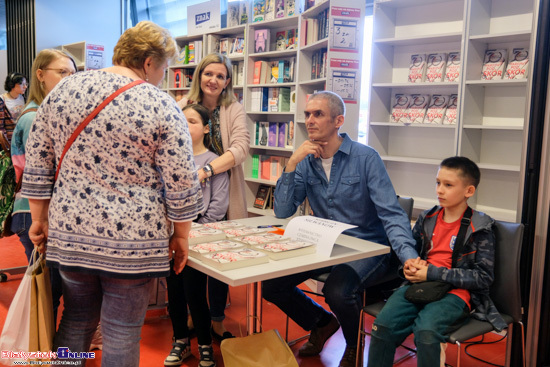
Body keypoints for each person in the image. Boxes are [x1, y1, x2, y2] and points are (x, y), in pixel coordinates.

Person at [22, 21, 204, 367]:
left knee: (75, 320)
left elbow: (39, 162)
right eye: (164, 67)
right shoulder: (161, 105)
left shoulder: (62, 91)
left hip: (71, 233)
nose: (163, 75)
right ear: (150, 62)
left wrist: (39, 219)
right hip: (134, 243)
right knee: (122, 330)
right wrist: (181, 235)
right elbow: (180, 181)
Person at [262, 91, 419, 367]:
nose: (309, 120)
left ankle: (353, 344)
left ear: (338, 121)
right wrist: (290, 164)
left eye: (318, 114)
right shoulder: (305, 161)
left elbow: (391, 213)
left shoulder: (366, 158)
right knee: (272, 284)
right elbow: (283, 211)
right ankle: (321, 323)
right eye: (307, 114)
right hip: (324, 244)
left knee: (337, 290)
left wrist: (408, 256)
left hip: (367, 246)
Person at [367, 156, 506, 366]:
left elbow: (483, 278)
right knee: (382, 327)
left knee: (426, 332)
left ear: (469, 191)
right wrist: (409, 266)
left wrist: (431, 273)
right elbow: (411, 253)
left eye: (448, 185)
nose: (439, 190)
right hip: (419, 285)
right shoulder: (427, 217)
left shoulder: (480, 228)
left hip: (456, 293)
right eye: (438, 183)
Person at [178, 52, 249, 340]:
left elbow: (241, 148)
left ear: (227, 81)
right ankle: (195, 315)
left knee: (220, 255)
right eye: (209, 73)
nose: (214, 80)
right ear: (199, 76)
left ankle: (217, 319)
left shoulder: (234, 109)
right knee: (191, 257)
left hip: (224, 190)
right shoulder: (181, 105)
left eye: (220, 76)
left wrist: (207, 170)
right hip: (188, 193)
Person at [11, 50, 76, 329]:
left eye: (72, 73)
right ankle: (43, 352)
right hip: (34, 214)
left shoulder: (45, 112)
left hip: (41, 214)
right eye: (61, 72)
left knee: (53, 291)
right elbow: (35, 174)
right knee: (49, 292)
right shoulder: (34, 117)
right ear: (40, 75)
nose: (69, 79)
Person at [165, 104, 229, 367]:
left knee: (194, 292)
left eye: (191, 121)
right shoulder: (169, 157)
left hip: (198, 239)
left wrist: (191, 232)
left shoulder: (215, 162)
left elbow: (218, 207)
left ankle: (204, 345)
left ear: (205, 128)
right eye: (181, 120)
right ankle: (180, 340)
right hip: (169, 237)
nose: (185, 125)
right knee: (174, 293)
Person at [0, 72, 27, 141]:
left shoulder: (23, 98)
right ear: (12, 85)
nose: (25, 87)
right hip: (9, 139)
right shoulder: (2, 100)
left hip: (21, 136)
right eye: (22, 84)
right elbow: (1, 127)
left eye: (26, 84)